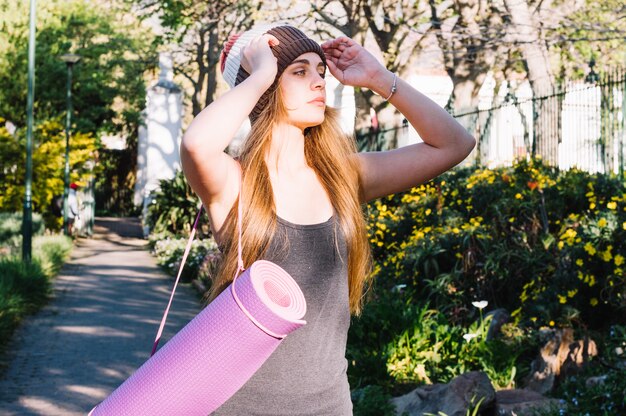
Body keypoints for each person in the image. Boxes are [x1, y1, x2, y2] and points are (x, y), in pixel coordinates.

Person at [180, 24, 475, 415]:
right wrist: (264, 72)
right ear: (262, 87)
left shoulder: (343, 176)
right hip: (237, 406)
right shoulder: (233, 182)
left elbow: (455, 144)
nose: (319, 81)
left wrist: (379, 78)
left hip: (328, 406)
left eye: (320, 70)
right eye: (298, 71)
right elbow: (195, 143)